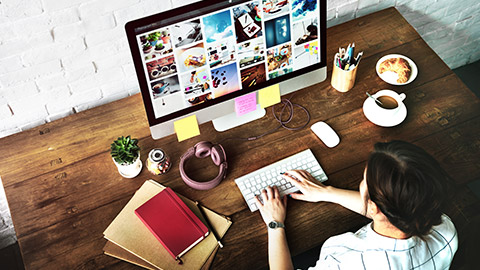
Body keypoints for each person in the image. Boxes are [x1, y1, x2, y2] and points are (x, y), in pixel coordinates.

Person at [255, 140, 458, 269]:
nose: (361, 184)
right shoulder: (445, 231)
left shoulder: (348, 263)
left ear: (374, 207)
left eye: (364, 180)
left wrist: (275, 223)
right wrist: (327, 192)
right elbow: (394, 214)